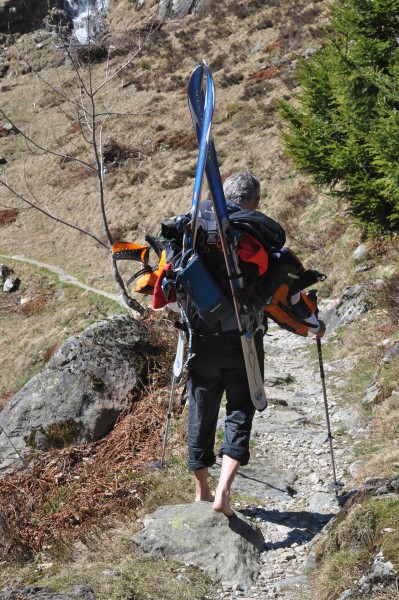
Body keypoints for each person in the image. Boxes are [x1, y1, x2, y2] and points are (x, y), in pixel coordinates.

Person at [186, 170, 325, 517]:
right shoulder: (259, 237)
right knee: (241, 408)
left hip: (200, 338)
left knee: (201, 407)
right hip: (243, 339)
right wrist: (313, 328)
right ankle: (223, 492)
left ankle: (201, 488)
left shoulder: (195, 231)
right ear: (255, 202)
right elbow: (282, 302)